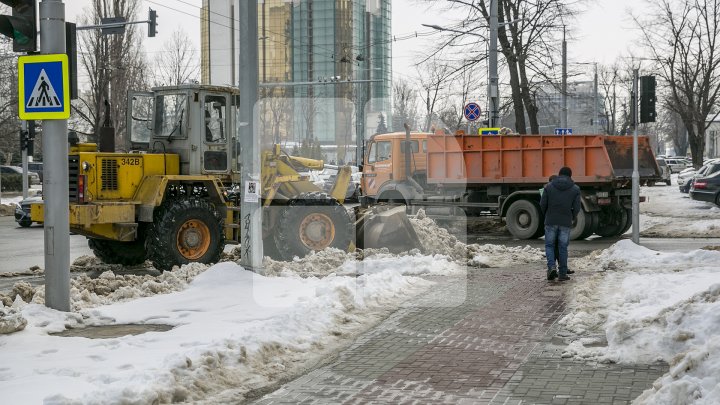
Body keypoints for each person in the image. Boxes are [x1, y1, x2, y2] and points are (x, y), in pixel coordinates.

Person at [540, 167, 581, 281]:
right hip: (565, 222)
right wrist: (572, 216)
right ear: (570, 176)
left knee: (549, 245)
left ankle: (551, 267)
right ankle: (562, 274)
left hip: (551, 221)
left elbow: (543, 204)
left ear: (559, 174)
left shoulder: (548, 186)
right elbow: (577, 207)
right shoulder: (575, 189)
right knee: (563, 247)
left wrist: (547, 215)